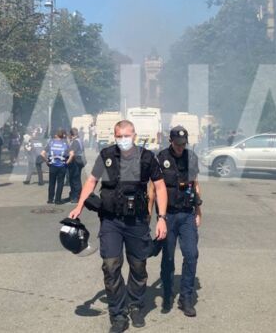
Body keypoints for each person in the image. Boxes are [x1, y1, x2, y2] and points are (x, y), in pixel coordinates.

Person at [69, 120, 168, 333]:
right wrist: (79, 206)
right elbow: (91, 181)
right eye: (119, 136)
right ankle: (118, 314)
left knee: (138, 266)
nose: (123, 140)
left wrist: (161, 217)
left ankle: (135, 306)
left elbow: (160, 187)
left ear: (134, 135)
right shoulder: (106, 156)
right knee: (111, 266)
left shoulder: (147, 158)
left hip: (137, 221)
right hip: (111, 220)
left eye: (127, 135)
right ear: (114, 136)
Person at [154, 126, 203, 317]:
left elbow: (195, 184)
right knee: (167, 257)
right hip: (168, 215)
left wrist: (199, 211)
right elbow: (154, 188)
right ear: (171, 141)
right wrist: (152, 215)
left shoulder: (191, 158)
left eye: (183, 144)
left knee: (191, 255)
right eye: (177, 144)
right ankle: (167, 295)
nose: (181, 147)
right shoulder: (161, 158)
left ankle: (186, 298)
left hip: (187, 214)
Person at [41, 129, 72, 205]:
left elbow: (42, 154)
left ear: (56, 135)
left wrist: (47, 161)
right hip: (62, 166)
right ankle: (58, 200)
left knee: (52, 183)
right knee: (60, 183)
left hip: (53, 166)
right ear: (62, 136)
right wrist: (67, 162)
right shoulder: (65, 144)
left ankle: (50, 199)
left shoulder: (51, 143)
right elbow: (72, 154)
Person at [68, 127, 86, 204]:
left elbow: (72, 153)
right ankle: (76, 195)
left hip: (75, 162)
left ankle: (76, 197)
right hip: (80, 161)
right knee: (77, 179)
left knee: (75, 180)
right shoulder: (79, 140)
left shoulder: (75, 142)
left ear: (71, 134)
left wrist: (67, 161)